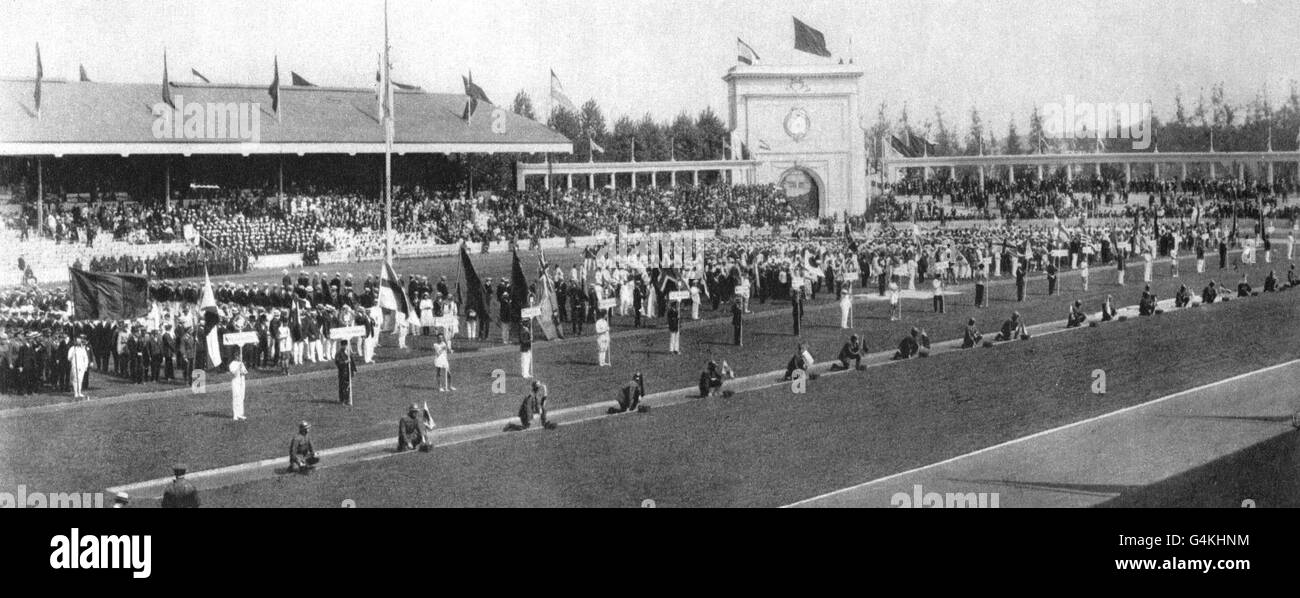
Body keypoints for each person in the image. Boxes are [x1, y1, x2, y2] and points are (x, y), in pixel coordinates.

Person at [68, 335, 92, 400]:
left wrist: (86, 366)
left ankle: (79, 392)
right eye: (77, 342)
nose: (78, 343)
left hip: (82, 366)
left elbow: (86, 358)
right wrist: (73, 354)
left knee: (80, 380)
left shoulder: (82, 349)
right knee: (75, 379)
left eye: (79, 342)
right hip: (75, 366)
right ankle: (76, 393)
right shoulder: (72, 349)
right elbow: (69, 358)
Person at [229, 356, 247, 420]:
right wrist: (238, 368)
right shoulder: (232, 364)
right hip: (236, 381)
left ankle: (240, 413)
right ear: (236, 356)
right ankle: (235, 414)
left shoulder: (241, 363)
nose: (240, 357)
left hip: (242, 381)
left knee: (242, 396)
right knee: (236, 396)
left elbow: (245, 372)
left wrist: (242, 369)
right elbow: (233, 373)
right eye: (238, 356)